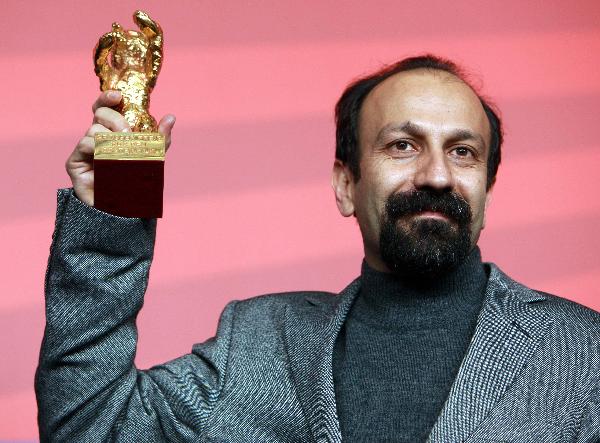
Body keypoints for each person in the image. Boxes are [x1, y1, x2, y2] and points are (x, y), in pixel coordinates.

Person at [36, 55, 600, 442]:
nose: (436, 175)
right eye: (402, 145)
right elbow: (91, 425)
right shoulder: (259, 343)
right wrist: (112, 213)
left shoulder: (584, 354)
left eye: (463, 152)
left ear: (488, 189)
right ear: (345, 185)